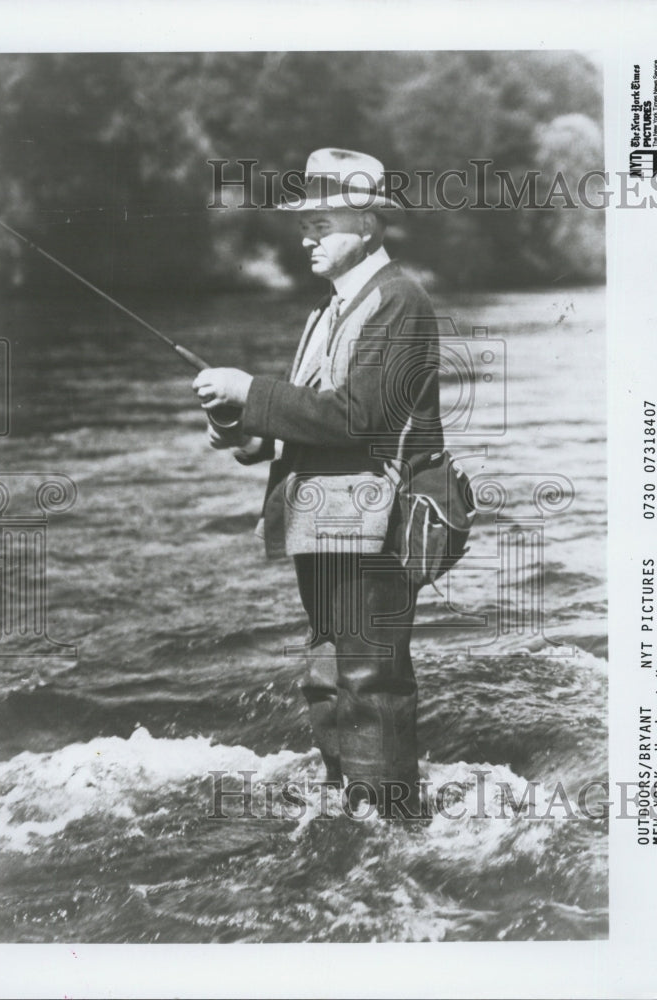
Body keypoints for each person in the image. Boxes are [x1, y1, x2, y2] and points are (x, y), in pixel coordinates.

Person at [194, 149, 444, 818]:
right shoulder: (328, 311)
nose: (306, 235)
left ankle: (392, 828)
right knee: (330, 678)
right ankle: (355, 814)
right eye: (304, 222)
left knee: (369, 682)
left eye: (322, 221)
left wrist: (251, 391)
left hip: (375, 529)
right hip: (331, 527)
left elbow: (359, 417)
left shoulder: (398, 300)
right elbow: (312, 421)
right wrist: (250, 435)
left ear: (366, 223)